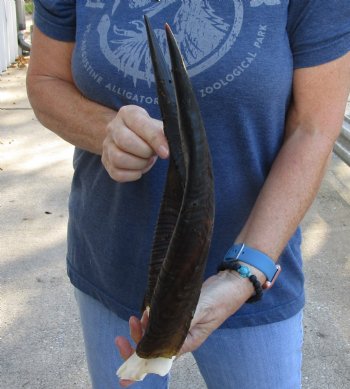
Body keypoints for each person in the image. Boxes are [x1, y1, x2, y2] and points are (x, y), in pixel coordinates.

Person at [27, 1, 350, 388]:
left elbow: (313, 127)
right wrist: (106, 130)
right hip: (111, 261)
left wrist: (244, 274)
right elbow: (46, 80)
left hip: (250, 275)